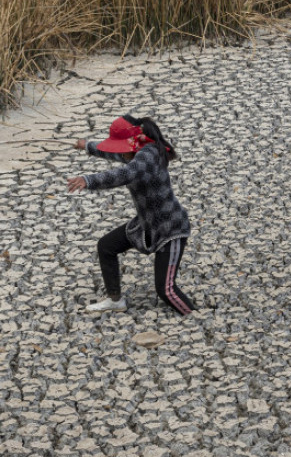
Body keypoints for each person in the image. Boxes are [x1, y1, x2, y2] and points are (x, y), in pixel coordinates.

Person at [67, 115, 195, 314]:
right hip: (146, 226)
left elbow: (124, 174)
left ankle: (194, 316)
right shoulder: (134, 151)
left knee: (166, 291)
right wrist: (88, 146)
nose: (121, 152)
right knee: (106, 247)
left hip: (171, 229)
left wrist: (88, 180)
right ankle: (115, 300)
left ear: (133, 142)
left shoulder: (149, 155)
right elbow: (114, 154)